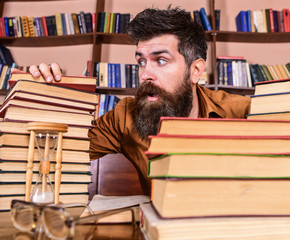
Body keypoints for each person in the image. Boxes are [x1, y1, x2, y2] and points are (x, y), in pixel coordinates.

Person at [13, 7, 251, 196]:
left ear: (195, 70)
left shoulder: (242, 112)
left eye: (160, 60)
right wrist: (43, 99)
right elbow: (59, 152)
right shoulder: (125, 115)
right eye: (141, 62)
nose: (145, 73)